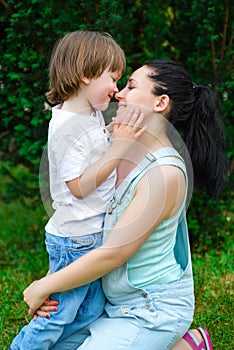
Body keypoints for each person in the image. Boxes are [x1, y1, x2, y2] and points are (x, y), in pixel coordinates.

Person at [23, 60, 228, 350]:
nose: (119, 93)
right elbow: (83, 225)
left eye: (131, 86)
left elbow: (113, 253)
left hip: (151, 312)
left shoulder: (164, 173)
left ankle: (184, 345)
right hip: (109, 303)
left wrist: (44, 286)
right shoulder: (118, 148)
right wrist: (56, 281)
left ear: (160, 103)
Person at [10, 30, 146, 350]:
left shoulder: (88, 113)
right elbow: (78, 186)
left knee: (89, 311)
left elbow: (92, 148)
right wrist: (120, 149)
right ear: (86, 74)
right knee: (58, 315)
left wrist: (113, 133)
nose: (116, 88)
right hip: (75, 239)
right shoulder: (69, 125)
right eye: (112, 78)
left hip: (87, 234)